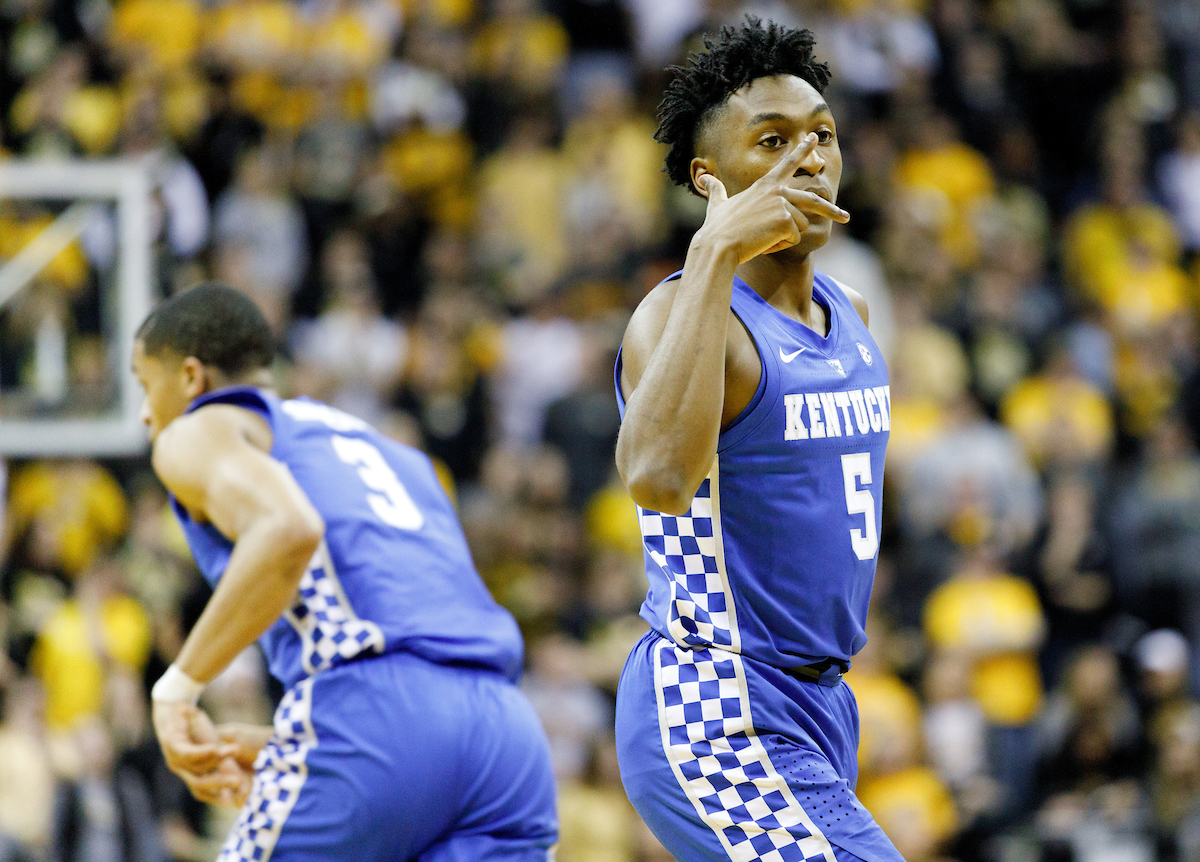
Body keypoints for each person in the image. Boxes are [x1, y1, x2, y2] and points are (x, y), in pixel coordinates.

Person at [131, 283, 557, 861]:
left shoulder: (198, 426)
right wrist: (297, 748)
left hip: (374, 718)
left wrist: (177, 689)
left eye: (143, 384)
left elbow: (287, 531)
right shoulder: (389, 451)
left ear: (189, 378)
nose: (143, 414)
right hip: (505, 738)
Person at [613, 18, 905, 862]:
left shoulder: (853, 310)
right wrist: (715, 252)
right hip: (717, 699)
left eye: (822, 135)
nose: (809, 158)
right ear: (711, 179)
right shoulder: (679, 313)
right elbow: (658, 481)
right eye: (772, 141)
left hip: (822, 704)